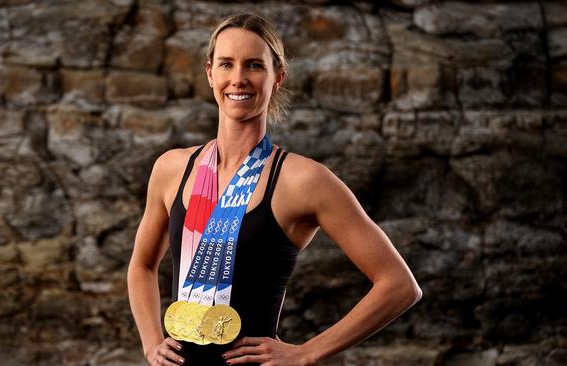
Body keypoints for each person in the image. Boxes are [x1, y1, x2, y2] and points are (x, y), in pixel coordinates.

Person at [127, 13, 423, 366]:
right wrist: (151, 343)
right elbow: (142, 265)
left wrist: (307, 352)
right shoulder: (172, 169)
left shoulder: (303, 181)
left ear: (277, 77)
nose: (238, 79)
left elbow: (400, 285)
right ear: (210, 73)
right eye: (226, 64)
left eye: (254, 65)